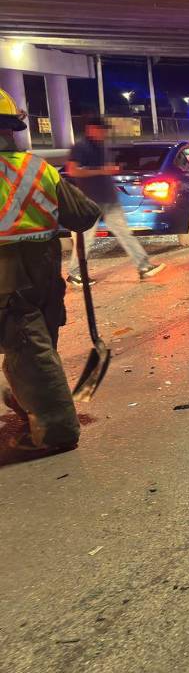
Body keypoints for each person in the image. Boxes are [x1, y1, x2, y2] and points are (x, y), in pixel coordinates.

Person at [0, 88, 102, 454]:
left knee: (29, 349)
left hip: (8, 278)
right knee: (32, 346)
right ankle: (28, 402)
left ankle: (56, 430)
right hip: (44, 271)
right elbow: (86, 215)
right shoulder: (38, 169)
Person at [66, 118, 164, 284]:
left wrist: (110, 170)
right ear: (91, 129)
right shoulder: (81, 147)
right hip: (90, 201)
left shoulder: (102, 147)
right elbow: (73, 170)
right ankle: (75, 273)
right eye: (101, 129)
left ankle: (143, 266)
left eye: (105, 130)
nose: (104, 133)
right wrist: (101, 170)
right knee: (86, 238)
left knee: (125, 233)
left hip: (108, 200)